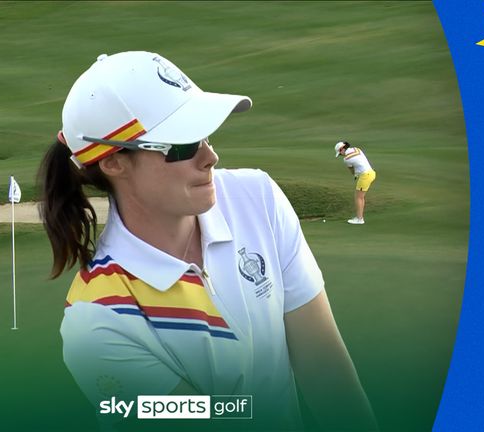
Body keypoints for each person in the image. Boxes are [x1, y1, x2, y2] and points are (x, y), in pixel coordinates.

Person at [39, 52, 377, 430]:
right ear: (113, 162)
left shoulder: (256, 196)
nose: (210, 157)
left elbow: (326, 368)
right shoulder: (99, 320)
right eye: (181, 145)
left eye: (204, 134)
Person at [335, 140, 376, 224]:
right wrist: (357, 174)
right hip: (371, 173)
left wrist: (355, 175)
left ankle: (359, 219)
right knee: (361, 197)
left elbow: (352, 170)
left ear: (342, 149)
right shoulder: (357, 149)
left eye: (340, 153)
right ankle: (359, 217)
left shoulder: (346, 159)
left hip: (365, 176)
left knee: (358, 197)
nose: (340, 155)